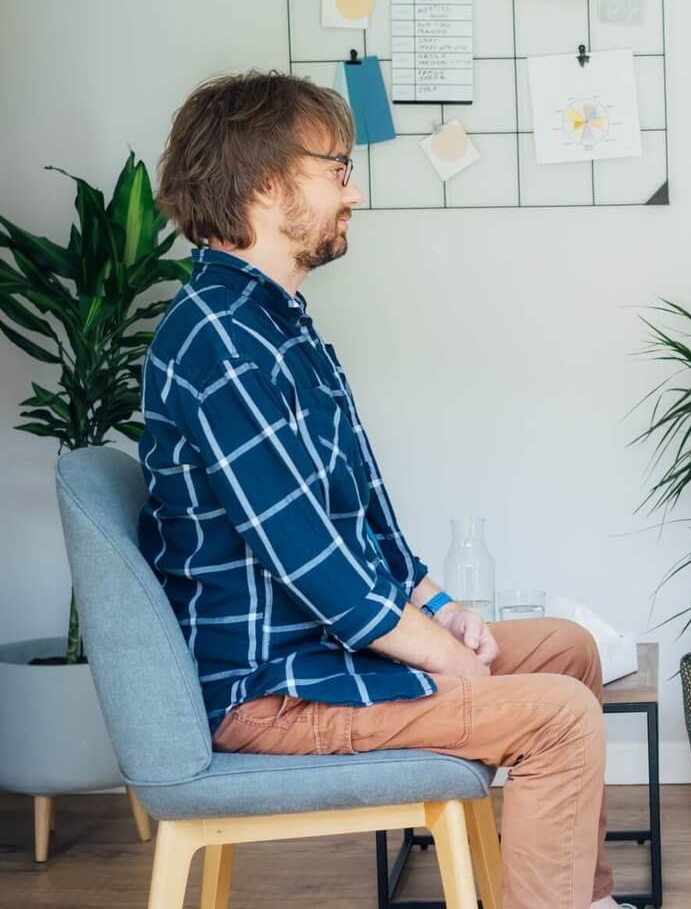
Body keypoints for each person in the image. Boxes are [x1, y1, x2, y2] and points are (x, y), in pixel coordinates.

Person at [139, 71, 628, 909]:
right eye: (337, 168)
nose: (353, 192)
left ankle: (578, 900)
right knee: (558, 718)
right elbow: (308, 558)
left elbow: (361, 517)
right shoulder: (216, 341)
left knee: (568, 655)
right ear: (266, 183)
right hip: (275, 688)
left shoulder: (283, 326)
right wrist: (442, 658)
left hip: (322, 654)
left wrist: (440, 607)